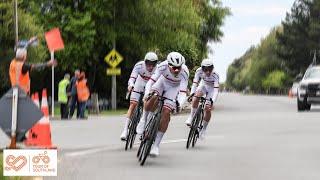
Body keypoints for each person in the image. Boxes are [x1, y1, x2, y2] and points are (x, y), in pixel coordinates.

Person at [136, 52, 189, 156]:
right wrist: (147, 94)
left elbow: (182, 93)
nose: (177, 70)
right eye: (174, 68)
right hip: (162, 82)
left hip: (174, 89)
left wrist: (179, 103)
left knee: (166, 112)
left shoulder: (184, 72)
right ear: (169, 65)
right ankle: (143, 119)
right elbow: (151, 82)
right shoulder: (162, 66)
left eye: (179, 67)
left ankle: (156, 145)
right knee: (153, 96)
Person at [120, 52, 158, 140]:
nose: (151, 67)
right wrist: (131, 85)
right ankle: (125, 130)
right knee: (133, 104)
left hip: (151, 85)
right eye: (148, 64)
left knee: (147, 104)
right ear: (145, 62)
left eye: (153, 64)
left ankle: (145, 129)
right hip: (139, 83)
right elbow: (133, 77)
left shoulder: (158, 69)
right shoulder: (139, 65)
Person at [185, 59, 219, 139]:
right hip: (203, 85)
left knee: (207, 109)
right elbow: (195, 83)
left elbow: (216, 91)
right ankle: (191, 117)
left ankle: (203, 129)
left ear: (212, 68)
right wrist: (192, 94)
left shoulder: (215, 75)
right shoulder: (198, 71)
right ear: (202, 68)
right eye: (205, 69)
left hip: (212, 89)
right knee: (196, 97)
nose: (207, 72)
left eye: (209, 69)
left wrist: (212, 102)